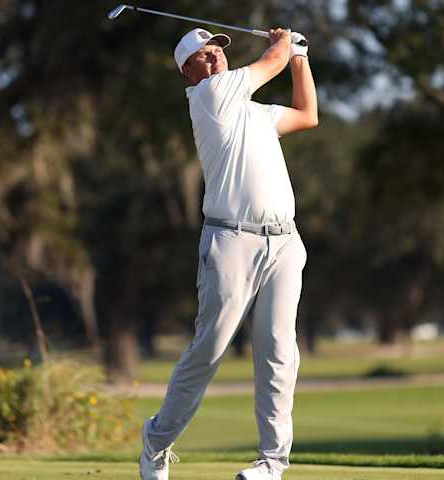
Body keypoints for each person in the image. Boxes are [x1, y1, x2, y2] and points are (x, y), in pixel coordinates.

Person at [139, 26, 318, 480]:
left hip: (284, 242)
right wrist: (285, 43)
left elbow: (306, 114)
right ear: (188, 72)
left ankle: (271, 464)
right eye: (202, 55)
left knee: (280, 350)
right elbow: (269, 62)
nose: (214, 57)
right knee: (211, 347)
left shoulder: (254, 112)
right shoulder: (209, 98)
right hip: (230, 241)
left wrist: (301, 59)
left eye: (216, 49)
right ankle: (157, 441)